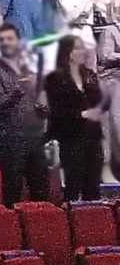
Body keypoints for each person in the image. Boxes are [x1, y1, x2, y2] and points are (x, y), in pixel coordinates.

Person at [0, 23, 49, 207]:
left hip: (35, 136)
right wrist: (19, 90)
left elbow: (42, 102)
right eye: (2, 40)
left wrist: (43, 101)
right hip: (10, 139)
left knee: (41, 189)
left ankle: (41, 230)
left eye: (10, 39)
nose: (6, 43)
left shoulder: (28, 68)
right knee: (13, 189)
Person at [45, 35, 104, 202]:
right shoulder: (55, 78)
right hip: (71, 137)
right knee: (74, 183)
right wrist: (80, 114)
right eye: (78, 48)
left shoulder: (89, 75)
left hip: (92, 136)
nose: (82, 51)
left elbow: (99, 102)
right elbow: (56, 111)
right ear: (67, 52)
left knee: (93, 185)